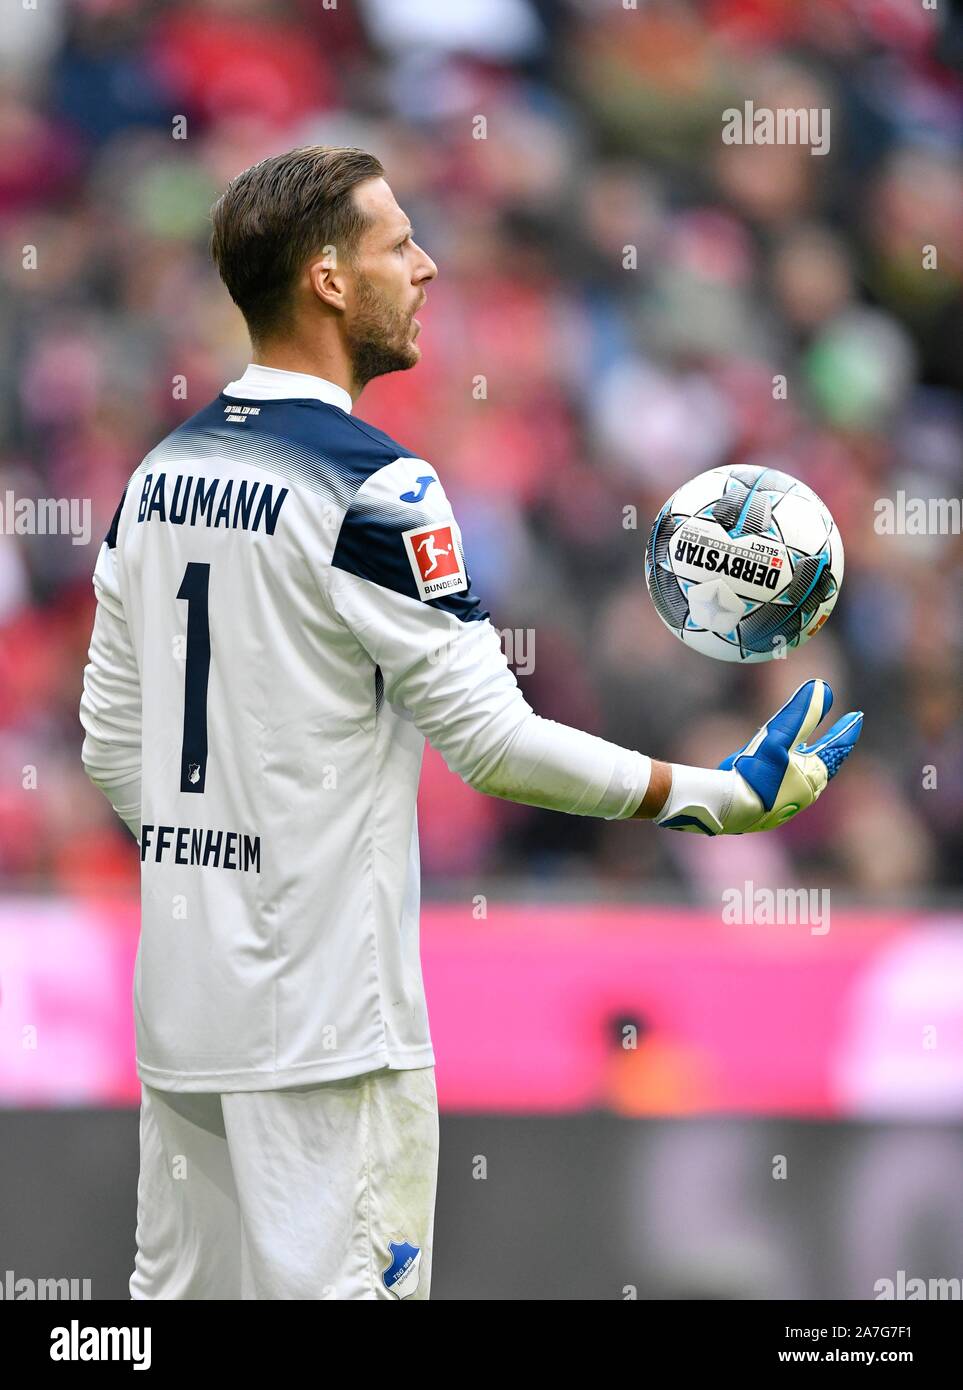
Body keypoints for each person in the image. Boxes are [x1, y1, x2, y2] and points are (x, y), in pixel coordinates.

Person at [79, 145, 863, 1300]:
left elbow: (107, 743)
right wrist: (713, 794)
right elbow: (494, 742)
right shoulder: (374, 485)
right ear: (331, 281)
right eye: (400, 243)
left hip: (189, 1015)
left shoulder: (157, 476)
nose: (429, 267)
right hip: (330, 1032)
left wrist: (226, 867)